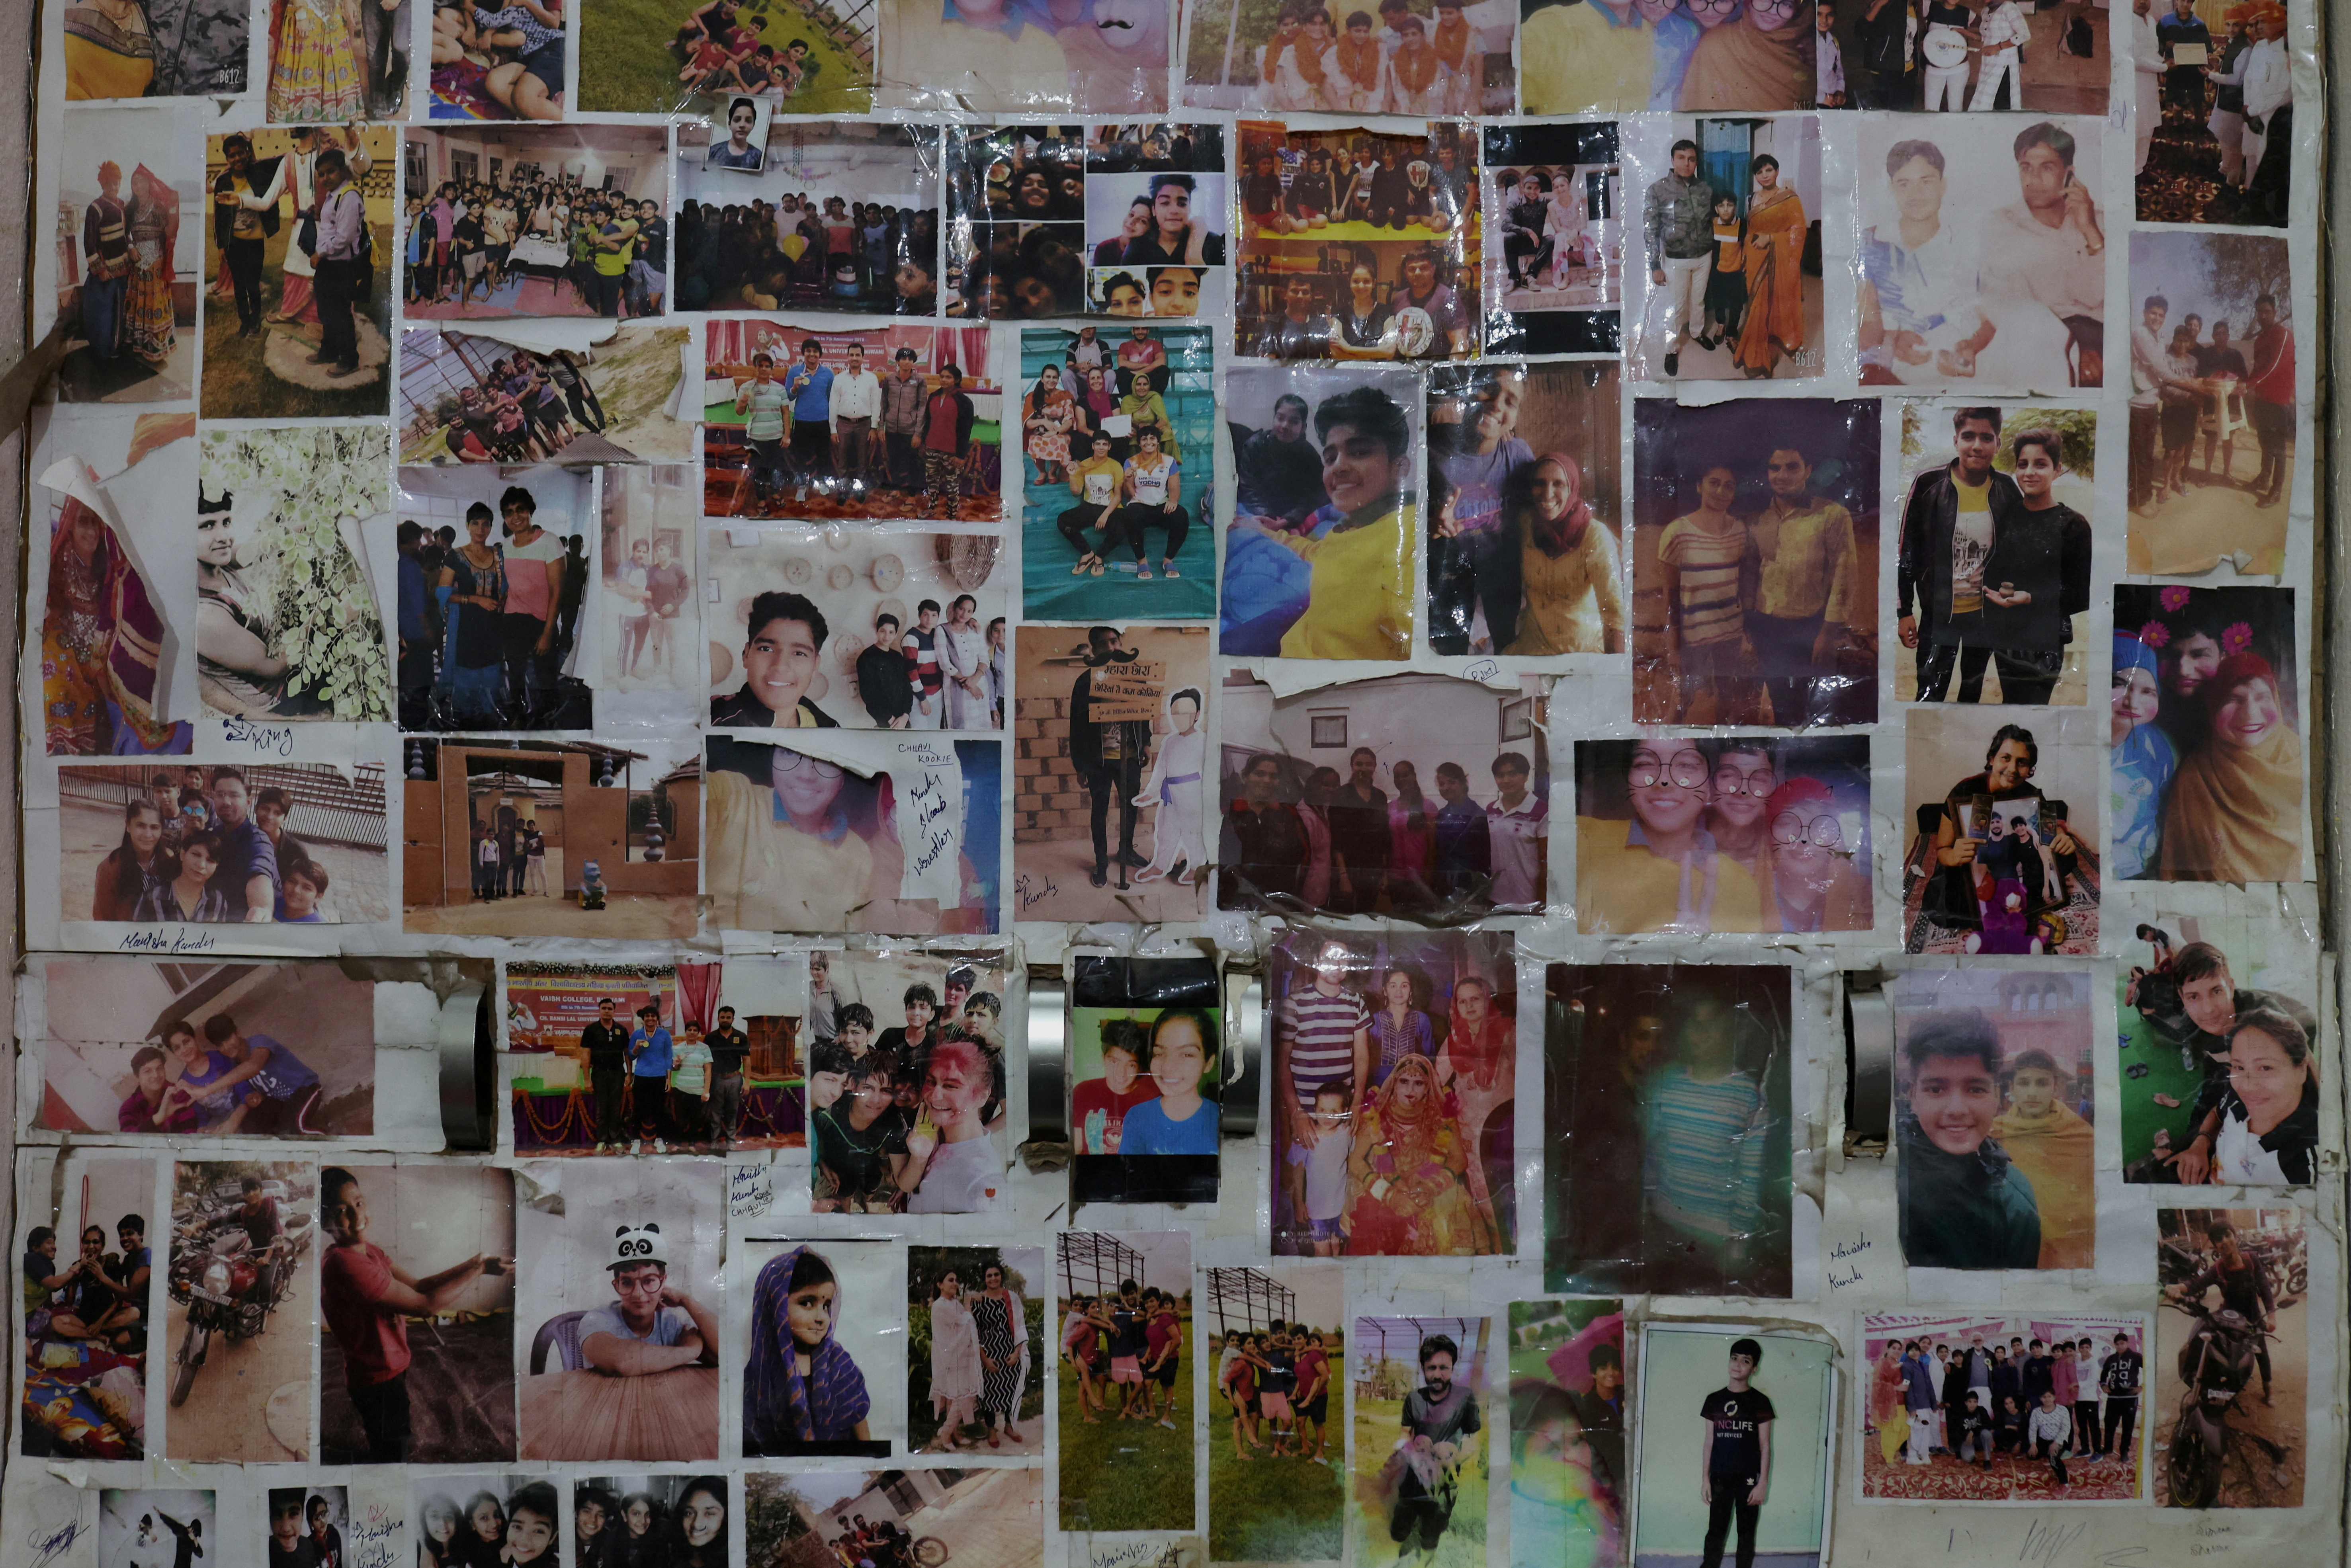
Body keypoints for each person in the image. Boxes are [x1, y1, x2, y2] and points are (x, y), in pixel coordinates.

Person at [318, 1167, 504, 1463]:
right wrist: (479, 1271)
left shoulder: (370, 1252)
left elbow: (418, 1285)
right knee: (392, 1451)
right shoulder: (345, 1265)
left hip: (388, 1367)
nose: (356, 1215)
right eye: (342, 1210)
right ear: (325, 1221)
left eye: (359, 1202)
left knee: (393, 1433)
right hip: (375, 1378)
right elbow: (426, 1305)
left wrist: (471, 1263)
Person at [1235, 384, 1415, 660]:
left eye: (1359, 452)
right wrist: (1264, 530)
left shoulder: (1410, 535)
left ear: (1399, 467)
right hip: (1297, 639)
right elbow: (1318, 552)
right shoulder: (1352, 525)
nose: (1338, 467)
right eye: (1331, 458)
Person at [1897, 1009, 2042, 1269]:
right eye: (1935, 1089)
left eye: (1975, 1089)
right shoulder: (1882, 1181)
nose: (1956, 1109)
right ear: (1913, 1095)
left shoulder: (2013, 1198)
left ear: (1996, 1097)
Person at [1578, 742, 1766, 934]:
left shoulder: (1739, 885)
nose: (1663, 781)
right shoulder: (1582, 837)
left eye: (1686, 765)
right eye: (1645, 764)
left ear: (1710, 787)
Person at [2156, 651, 2302, 883]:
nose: (2251, 714)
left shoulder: (2303, 764)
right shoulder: (2196, 777)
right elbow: (2181, 872)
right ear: (2214, 707)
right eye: (2234, 699)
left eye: (2263, 697)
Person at [1747, 443, 1861, 726]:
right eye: (1775, 468)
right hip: (1766, 628)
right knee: (1780, 702)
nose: (1782, 475)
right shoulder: (1755, 519)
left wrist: (1827, 633)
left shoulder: (1832, 515)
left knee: (1812, 705)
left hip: (1810, 628)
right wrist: (1747, 629)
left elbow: (1844, 576)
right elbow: (1749, 575)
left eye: (1792, 467)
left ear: (1807, 471)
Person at [1659, 461, 1759, 722]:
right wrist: (1674, 646)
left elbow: (1743, 584)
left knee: (1726, 695)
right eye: (1714, 482)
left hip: (1730, 633)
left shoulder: (1739, 532)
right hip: (1693, 636)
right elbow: (1670, 595)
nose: (1720, 491)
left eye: (1729, 486)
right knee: (1682, 699)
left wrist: (1746, 632)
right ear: (1699, 486)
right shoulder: (1678, 533)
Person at [1986, 1049, 2094, 1268]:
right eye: (2024, 1083)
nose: (2032, 1093)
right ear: (2013, 1088)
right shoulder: (1993, 1135)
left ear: (2055, 1087)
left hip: (2071, 1255)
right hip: (2014, 1251)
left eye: (2042, 1084)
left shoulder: (2081, 1136)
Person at [580, 1220, 721, 1384]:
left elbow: (721, 1355)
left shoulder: (670, 1322)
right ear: (616, 1285)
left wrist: (686, 1300)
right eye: (626, 1282)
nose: (638, 1293)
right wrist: (690, 1351)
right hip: (603, 1402)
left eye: (649, 1281)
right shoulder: (597, 1319)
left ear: (663, 1282)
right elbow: (624, 1362)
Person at [1384, 1334, 1480, 1568]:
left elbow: (1473, 1442)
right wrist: (1406, 1452)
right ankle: (1394, 1553)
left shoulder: (1465, 1398)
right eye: (1431, 1368)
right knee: (1399, 1527)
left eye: (1444, 1368)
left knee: (1432, 1531)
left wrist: (1452, 1456)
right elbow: (1405, 1433)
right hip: (1413, 1479)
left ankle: (1426, 1560)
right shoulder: (1414, 1399)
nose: (1437, 1374)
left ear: (1453, 1367)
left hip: (1445, 1483)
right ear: (1423, 1368)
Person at [903, 1038, 1005, 1213]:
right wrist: (919, 1158)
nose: (934, 1096)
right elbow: (907, 1187)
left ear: (981, 1097)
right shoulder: (934, 1134)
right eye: (931, 1081)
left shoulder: (983, 1180)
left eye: (950, 1086)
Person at [1698, 1338, 1774, 1568]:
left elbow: (1766, 1446)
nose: (1738, 1365)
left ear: (1754, 1369)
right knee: (1715, 1532)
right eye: (1734, 1358)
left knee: (1746, 1533)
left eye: (1746, 1361)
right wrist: (1705, 1479)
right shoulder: (1714, 1400)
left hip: (1749, 1481)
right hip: (1720, 1478)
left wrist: (1762, 1484)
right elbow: (1709, 1443)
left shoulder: (1761, 1402)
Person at [712, 590, 836, 728]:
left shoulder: (831, 730)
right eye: (767, 649)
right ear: (746, 655)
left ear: (815, 666)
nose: (780, 666)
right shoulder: (714, 720)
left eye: (799, 654)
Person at [1645, 140, 1714, 377]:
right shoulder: (1658, 190)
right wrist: (1655, 266)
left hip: (1705, 255)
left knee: (1699, 301)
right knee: (1676, 308)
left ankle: (1697, 332)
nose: (1687, 163)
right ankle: (1671, 348)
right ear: (1673, 161)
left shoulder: (1705, 189)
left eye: (1692, 159)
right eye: (1682, 158)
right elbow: (1650, 230)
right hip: (1676, 259)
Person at [1734, 154, 1806, 379]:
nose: (1764, 176)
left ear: (1776, 172)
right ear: (1755, 176)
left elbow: (1799, 230)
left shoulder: (1789, 198)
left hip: (1777, 257)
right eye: (1759, 172)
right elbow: (1749, 231)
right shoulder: (1752, 199)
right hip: (1755, 257)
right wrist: (1745, 255)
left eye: (1768, 170)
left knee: (1774, 300)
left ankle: (1765, 349)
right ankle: (1757, 343)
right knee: (1755, 302)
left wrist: (1772, 238)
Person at [78, 161, 131, 365]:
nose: (114, 187)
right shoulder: (95, 208)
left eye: (117, 183)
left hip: (123, 272)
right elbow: (89, 243)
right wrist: (100, 270)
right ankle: (102, 353)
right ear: (102, 185)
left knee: (120, 313)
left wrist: (132, 249)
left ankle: (116, 347)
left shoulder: (121, 205)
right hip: (106, 274)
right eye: (110, 184)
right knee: (102, 313)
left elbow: (126, 234)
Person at [628, 1003, 674, 1152]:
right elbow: (631, 1056)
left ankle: (660, 1140)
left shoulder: (664, 1035)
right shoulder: (637, 1034)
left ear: (657, 1019)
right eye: (647, 1016)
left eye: (653, 1016)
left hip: (660, 1076)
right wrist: (636, 1048)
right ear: (643, 1019)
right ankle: (636, 1140)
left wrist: (669, 1079)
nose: (650, 1019)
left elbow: (668, 1057)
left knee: (659, 1110)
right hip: (641, 1075)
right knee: (639, 1109)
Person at [2097, 1331, 2143, 1463]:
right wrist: (2104, 1385)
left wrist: (2142, 1387)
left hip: (2129, 1398)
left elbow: (2151, 1370)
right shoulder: (2111, 1359)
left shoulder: (2136, 1357)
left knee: (2128, 1426)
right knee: (2110, 1424)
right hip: (2113, 1398)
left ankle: (2124, 1452)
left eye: (2122, 1343)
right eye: (2117, 1344)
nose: (2120, 1346)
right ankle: (2108, 1448)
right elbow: (2103, 1376)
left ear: (2127, 1343)